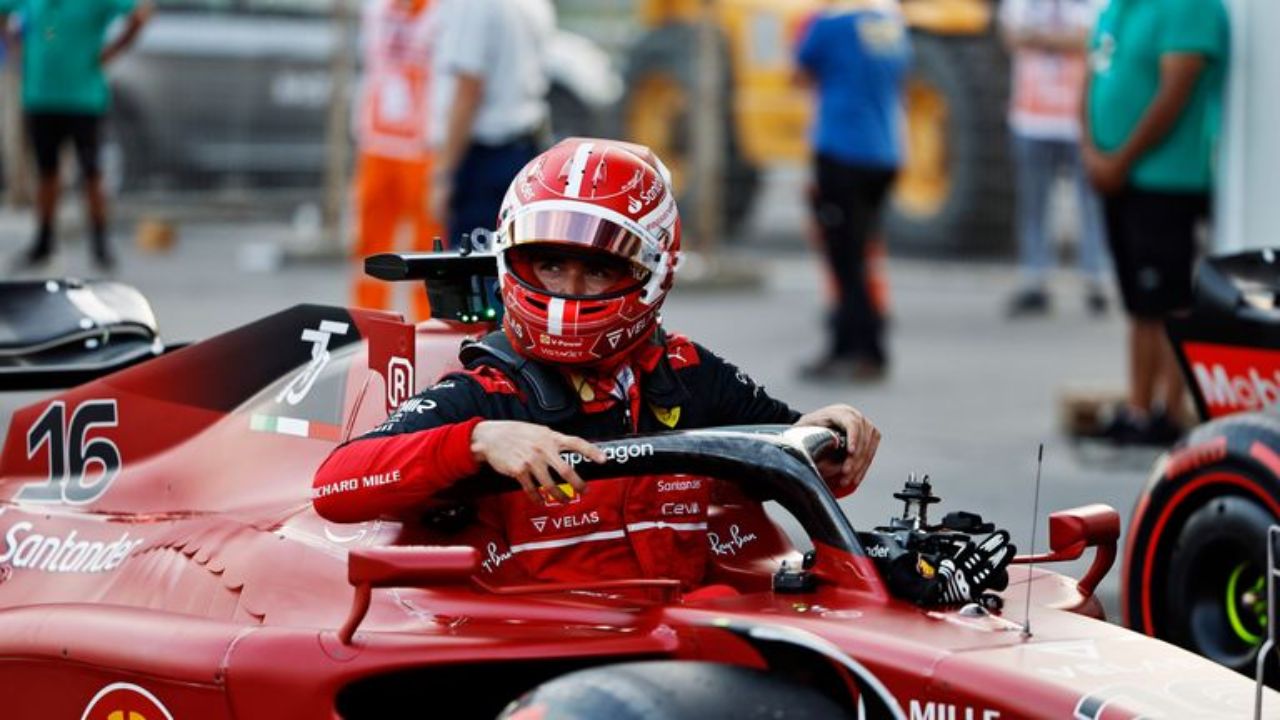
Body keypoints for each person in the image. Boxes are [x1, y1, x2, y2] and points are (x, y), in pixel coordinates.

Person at [312, 138, 1011, 606]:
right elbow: (337, 484)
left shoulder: (686, 376)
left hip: (682, 649)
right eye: (550, 263)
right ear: (513, 261)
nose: (568, 288)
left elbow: (799, 451)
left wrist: (838, 430)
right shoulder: (486, 393)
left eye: (599, 268)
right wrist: (476, 442)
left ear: (651, 272)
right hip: (532, 661)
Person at [1083, 0, 1229, 444]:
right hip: (1119, 176)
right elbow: (1092, 78)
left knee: (1167, 301)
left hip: (1166, 179)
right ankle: (1139, 406)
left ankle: (1169, 409)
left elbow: (1176, 90)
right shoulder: (1118, 8)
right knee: (1138, 303)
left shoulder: (1190, 7)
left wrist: (1121, 158)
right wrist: (1091, 149)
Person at [793, 0, 911, 382]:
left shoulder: (830, 26)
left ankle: (868, 349)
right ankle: (842, 346)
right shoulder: (890, 25)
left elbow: (800, 70)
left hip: (842, 150)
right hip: (885, 151)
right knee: (859, 253)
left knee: (845, 261)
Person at [0, 0, 152, 272]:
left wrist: (111, 52)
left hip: (84, 98)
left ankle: (100, 241)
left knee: (91, 171)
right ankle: (44, 240)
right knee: (47, 171)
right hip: (40, 96)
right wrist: (14, 47)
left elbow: (140, 13)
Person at [1000, 0, 1109, 318]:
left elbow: (1096, 39)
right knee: (1033, 205)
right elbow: (1011, 35)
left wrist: (1038, 37)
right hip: (1031, 116)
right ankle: (1035, 279)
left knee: (1091, 204)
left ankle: (1095, 279)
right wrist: (1066, 39)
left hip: (1080, 118)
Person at [427, 0, 552, 248]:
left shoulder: (475, 6)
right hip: (524, 149)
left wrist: (444, 174)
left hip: (484, 159)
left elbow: (468, 89)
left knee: (474, 269)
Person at [351, 0, 442, 321]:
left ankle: (428, 328)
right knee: (369, 246)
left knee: (425, 248)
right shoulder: (376, 9)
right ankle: (366, 327)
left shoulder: (441, 12)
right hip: (377, 144)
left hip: (423, 148)